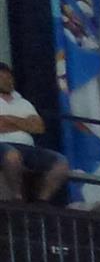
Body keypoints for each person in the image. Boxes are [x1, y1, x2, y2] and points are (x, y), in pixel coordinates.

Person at [0, 62, 68, 204]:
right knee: (12, 156)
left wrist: (8, 119)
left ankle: (42, 201)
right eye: (3, 78)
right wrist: (25, 123)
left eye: (10, 77)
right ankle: (17, 197)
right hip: (3, 146)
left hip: (28, 148)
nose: (8, 81)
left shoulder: (24, 103)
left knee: (61, 163)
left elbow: (38, 127)